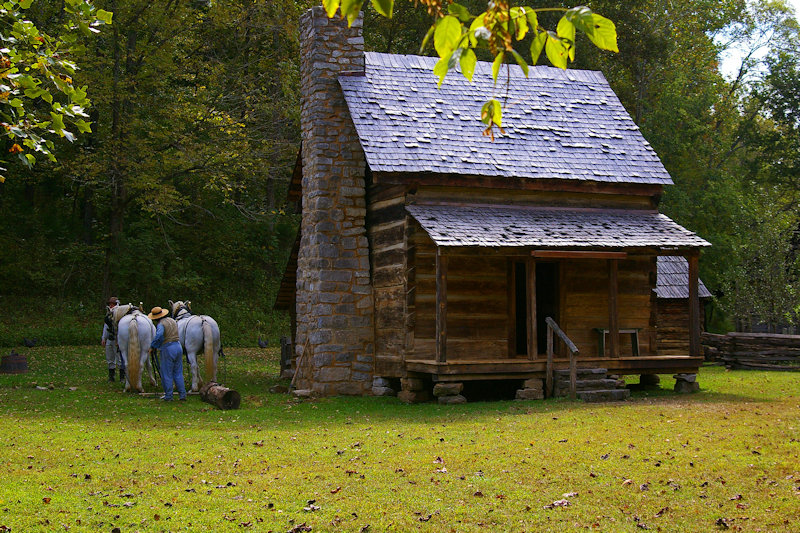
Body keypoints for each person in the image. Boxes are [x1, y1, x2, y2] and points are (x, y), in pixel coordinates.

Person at [148, 306, 187, 401]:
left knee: (167, 373)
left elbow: (159, 335)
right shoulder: (172, 320)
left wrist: (153, 346)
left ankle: (169, 395)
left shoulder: (161, 324)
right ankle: (182, 394)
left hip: (168, 348)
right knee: (178, 372)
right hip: (178, 346)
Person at [101, 296, 124, 382]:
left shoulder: (120, 315)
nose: (111, 306)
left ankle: (122, 377)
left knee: (119, 358)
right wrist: (104, 338)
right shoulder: (108, 314)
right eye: (110, 304)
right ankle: (111, 377)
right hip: (110, 339)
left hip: (117, 339)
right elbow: (106, 327)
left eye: (113, 304)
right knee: (110, 358)